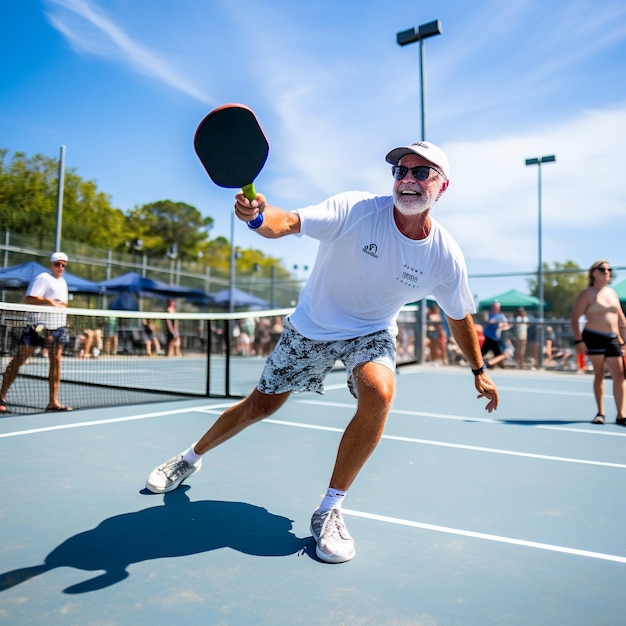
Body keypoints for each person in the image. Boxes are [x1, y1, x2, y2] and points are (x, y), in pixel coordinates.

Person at [145, 141, 499, 564]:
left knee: (380, 393)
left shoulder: (445, 256)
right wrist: (257, 215)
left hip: (370, 331)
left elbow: (459, 316)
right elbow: (286, 222)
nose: (407, 179)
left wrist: (478, 368)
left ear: (442, 187)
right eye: (400, 171)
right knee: (259, 407)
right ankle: (189, 458)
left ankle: (330, 508)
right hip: (311, 328)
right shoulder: (356, 210)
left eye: (421, 173)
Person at [0, 252, 73, 413]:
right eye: (57, 264)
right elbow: (30, 299)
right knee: (18, 360)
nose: (60, 267)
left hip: (57, 329)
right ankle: (1, 396)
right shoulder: (43, 278)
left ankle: (53, 402)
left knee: (57, 362)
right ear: (51, 264)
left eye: (63, 265)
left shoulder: (63, 283)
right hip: (37, 328)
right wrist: (48, 301)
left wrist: (64, 318)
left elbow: (62, 305)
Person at [570, 260, 626, 425]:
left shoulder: (612, 293)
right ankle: (600, 412)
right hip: (593, 337)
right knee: (599, 374)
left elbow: (622, 319)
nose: (606, 272)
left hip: (612, 339)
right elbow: (574, 318)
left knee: (620, 375)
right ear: (593, 272)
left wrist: (624, 339)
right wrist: (579, 340)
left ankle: (621, 414)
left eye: (609, 269)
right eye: (602, 269)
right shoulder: (586, 294)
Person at [481, 301, 510, 368]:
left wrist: (502, 325)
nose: (495, 308)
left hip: (496, 338)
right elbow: (489, 321)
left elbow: (505, 325)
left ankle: (491, 364)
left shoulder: (501, 316)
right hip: (488, 337)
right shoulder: (488, 315)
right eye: (494, 307)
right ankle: (480, 364)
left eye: (497, 307)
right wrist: (495, 321)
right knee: (482, 353)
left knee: (499, 354)